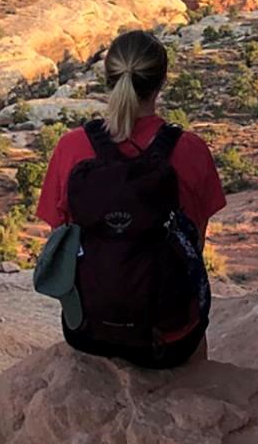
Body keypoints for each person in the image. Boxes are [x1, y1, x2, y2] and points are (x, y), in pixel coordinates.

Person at [36, 30, 226, 368]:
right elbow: (195, 243)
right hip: (168, 341)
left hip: (87, 332)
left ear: (109, 78)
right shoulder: (190, 150)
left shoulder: (72, 147)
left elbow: (60, 238)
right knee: (195, 325)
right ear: (162, 81)